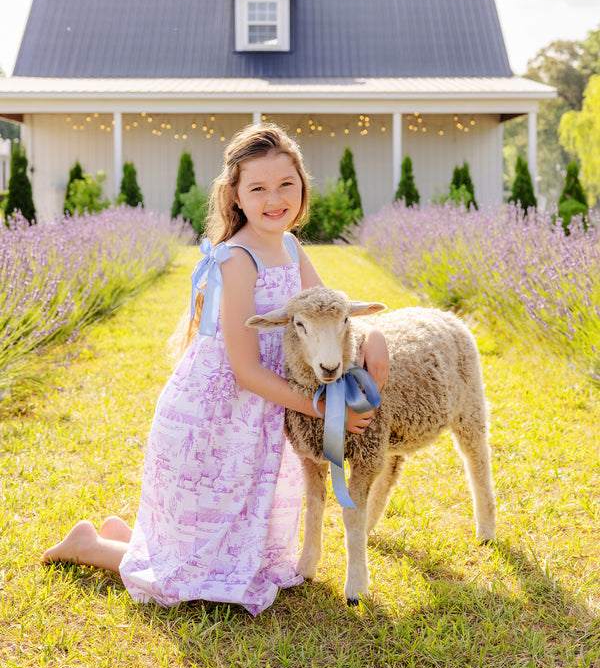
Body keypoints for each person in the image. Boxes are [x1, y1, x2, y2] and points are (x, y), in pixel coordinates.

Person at [42, 123, 389, 616]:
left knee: (237, 542)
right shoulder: (237, 259)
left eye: (286, 184)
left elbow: (328, 311)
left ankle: (127, 538)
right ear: (236, 196)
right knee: (198, 574)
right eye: (259, 188)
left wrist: (374, 335)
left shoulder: (290, 247)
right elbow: (245, 370)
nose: (275, 198)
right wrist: (322, 404)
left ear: (303, 185)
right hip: (218, 416)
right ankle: (91, 547)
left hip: (265, 412)